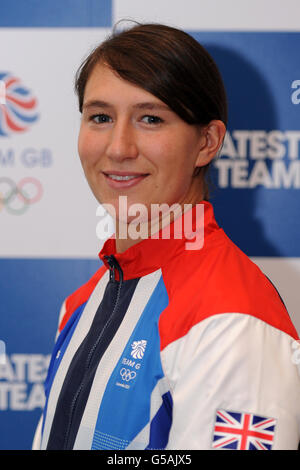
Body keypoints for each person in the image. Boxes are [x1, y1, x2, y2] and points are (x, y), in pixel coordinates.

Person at [33, 23, 300, 450]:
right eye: (100, 117)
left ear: (206, 142)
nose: (119, 147)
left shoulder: (230, 316)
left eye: (151, 119)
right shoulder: (82, 302)